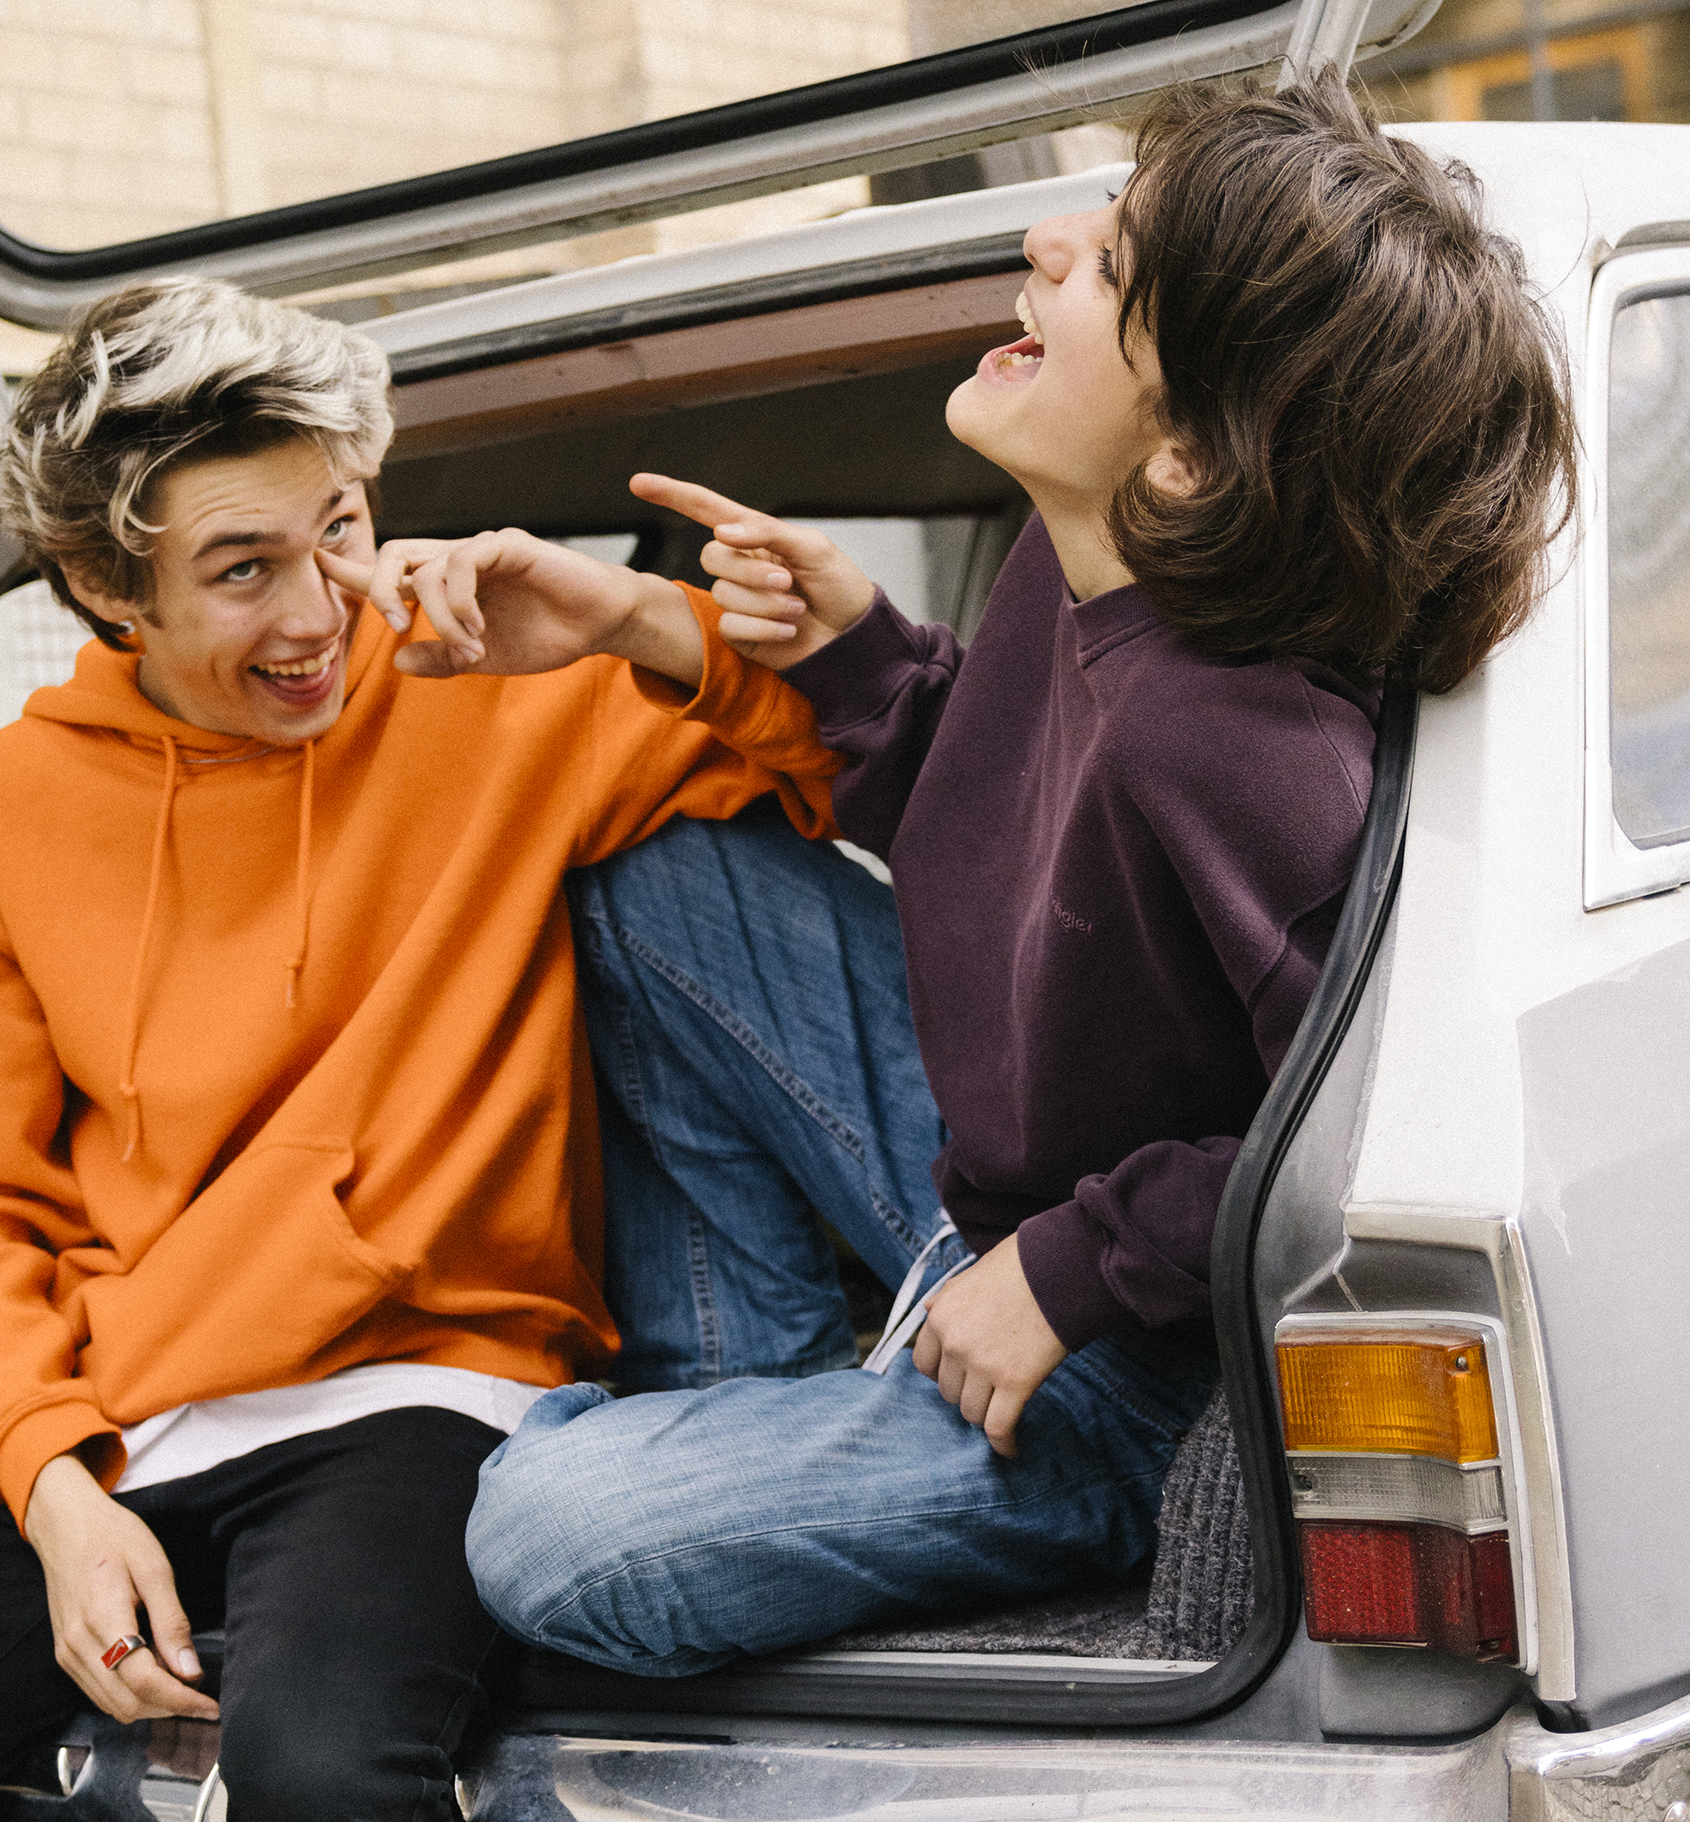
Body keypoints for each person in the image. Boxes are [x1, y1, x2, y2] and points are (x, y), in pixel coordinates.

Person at [0, 277, 903, 1821]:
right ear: (108, 587)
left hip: (427, 1389)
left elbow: (868, 761)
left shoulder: (498, 692)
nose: (319, 611)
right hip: (118, 1425)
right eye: (243, 568)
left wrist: (636, 622)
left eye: (340, 527)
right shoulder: (1, 809)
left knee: (320, 1774)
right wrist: (50, 1486)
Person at [454, 76, 1575, 1675]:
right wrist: (834, 649)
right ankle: (791, 1401)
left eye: (1108, 265)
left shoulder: (1244, 742)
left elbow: (1365, 1134)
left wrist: (1064, 1273)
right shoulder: (1083, 555)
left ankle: (807, 1444)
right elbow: (993, 833)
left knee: (541, 1535)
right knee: (665, 881)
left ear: (1187, 461)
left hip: (1129, 1357)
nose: (1044, 240)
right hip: (997, 1183)